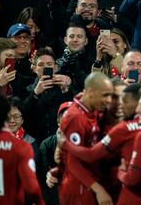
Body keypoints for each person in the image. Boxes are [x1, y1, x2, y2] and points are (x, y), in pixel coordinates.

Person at [56, 83, 141, 205]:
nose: (120, 103)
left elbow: (91, 154)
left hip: (130, 192)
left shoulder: (124, 129)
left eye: (124, 99)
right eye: (115, 97)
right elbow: (73, 161)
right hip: (104, 191)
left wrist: (65, 144)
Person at [54, 72, 114, 205]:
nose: (109, 100)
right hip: (79, 189)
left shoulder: (91, 108)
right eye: (105, 95)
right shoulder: (75, 118)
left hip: (90, 183)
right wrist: (98, 190)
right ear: (91, 92)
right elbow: (73, 162)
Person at [22, 48, 73, 142]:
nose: (45, 67)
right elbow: (23, 116)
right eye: (41, 64)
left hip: (62, 140)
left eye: (49, 64)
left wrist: (66, 90)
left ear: (56, 67)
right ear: (34, 68)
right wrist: (35, 93)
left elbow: (74, 113)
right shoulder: (27, 89)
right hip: (36, 141)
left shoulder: (66, 87)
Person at [56, 22, 95, 94]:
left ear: (86, 41)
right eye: (71, 36)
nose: (75, 40)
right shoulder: (57, 64)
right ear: (65, 40)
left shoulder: (94, 63)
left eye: (79, 36)